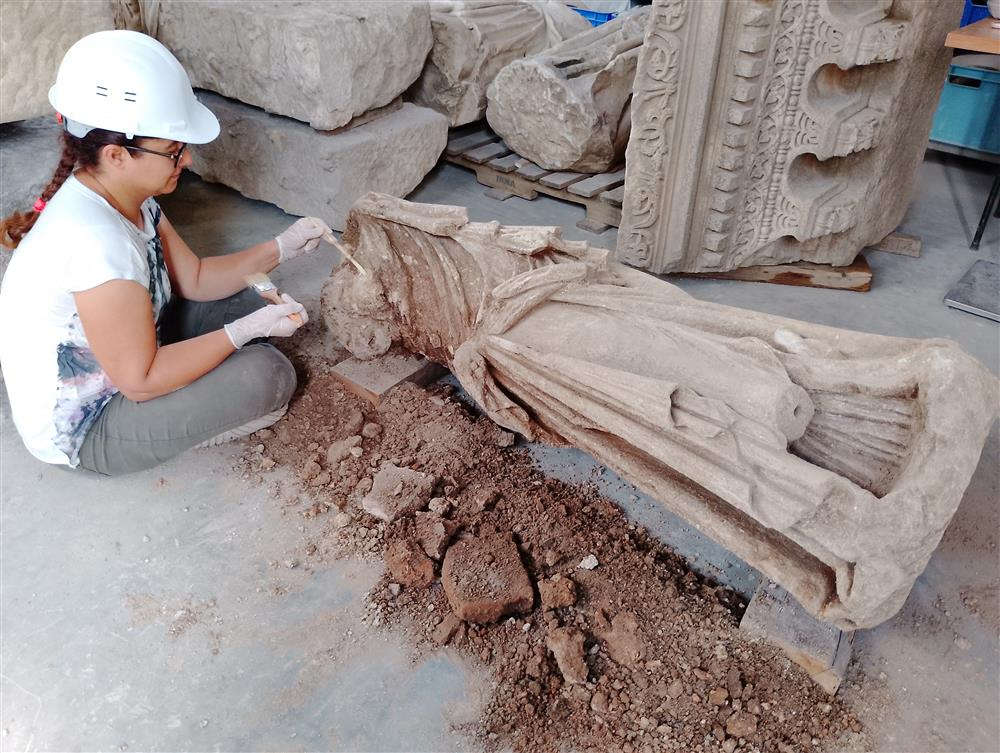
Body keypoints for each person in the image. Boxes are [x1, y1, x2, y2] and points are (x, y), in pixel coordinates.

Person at [0, 30, 333, 475]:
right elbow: (140, 381)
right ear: (117, 155)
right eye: (174, 151)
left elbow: (194, 278)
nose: (187, 161)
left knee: (252, 299)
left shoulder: (129, 197)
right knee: (268, 376)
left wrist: (283, 247)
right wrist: (242, 332)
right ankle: (189, 418)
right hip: (95, 423)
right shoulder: (96, 246)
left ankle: (209, 363)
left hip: (129, 352)